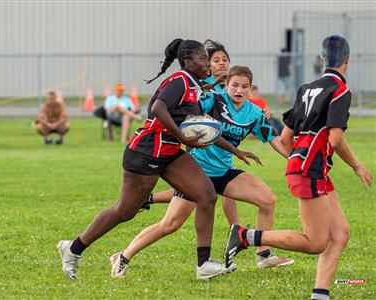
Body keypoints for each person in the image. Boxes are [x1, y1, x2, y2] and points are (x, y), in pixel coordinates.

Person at [57, 38, 259, 280]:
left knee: (206, 195)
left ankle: (203, 264)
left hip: (170, 152)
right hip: (146, 151)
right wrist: (182, 137)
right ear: (187, 62)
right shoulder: (179, 81)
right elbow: (157, 109)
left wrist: (236, 151)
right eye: (203, 58)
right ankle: (73, 248)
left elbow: (200, 127)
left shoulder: (195, 87)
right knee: (125, 210)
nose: (208, 63)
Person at [109, 47, 294, 279]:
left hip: (224, 172)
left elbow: (273, 138)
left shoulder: (254, 113)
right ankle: (122, 256)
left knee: (267, 199)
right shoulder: (212, 100)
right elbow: (186, 108)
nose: (239, 90)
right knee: (170, 224)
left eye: (244, 86)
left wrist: (293, 158)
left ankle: (263, 255)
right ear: (227, 85)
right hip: (196, 172)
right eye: (234, 85)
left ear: (251, 89)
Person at [225, 35, 373, 300]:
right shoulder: (340, 91)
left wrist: (300, 160)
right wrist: (357, 165)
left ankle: (320, 294)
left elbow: (284, 138)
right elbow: (336, 139)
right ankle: (247, 235)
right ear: (347, 61)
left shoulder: (306, 88)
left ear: (322, 59)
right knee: (316, 242)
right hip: (310, 170)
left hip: (308, 167)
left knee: (340, 234)